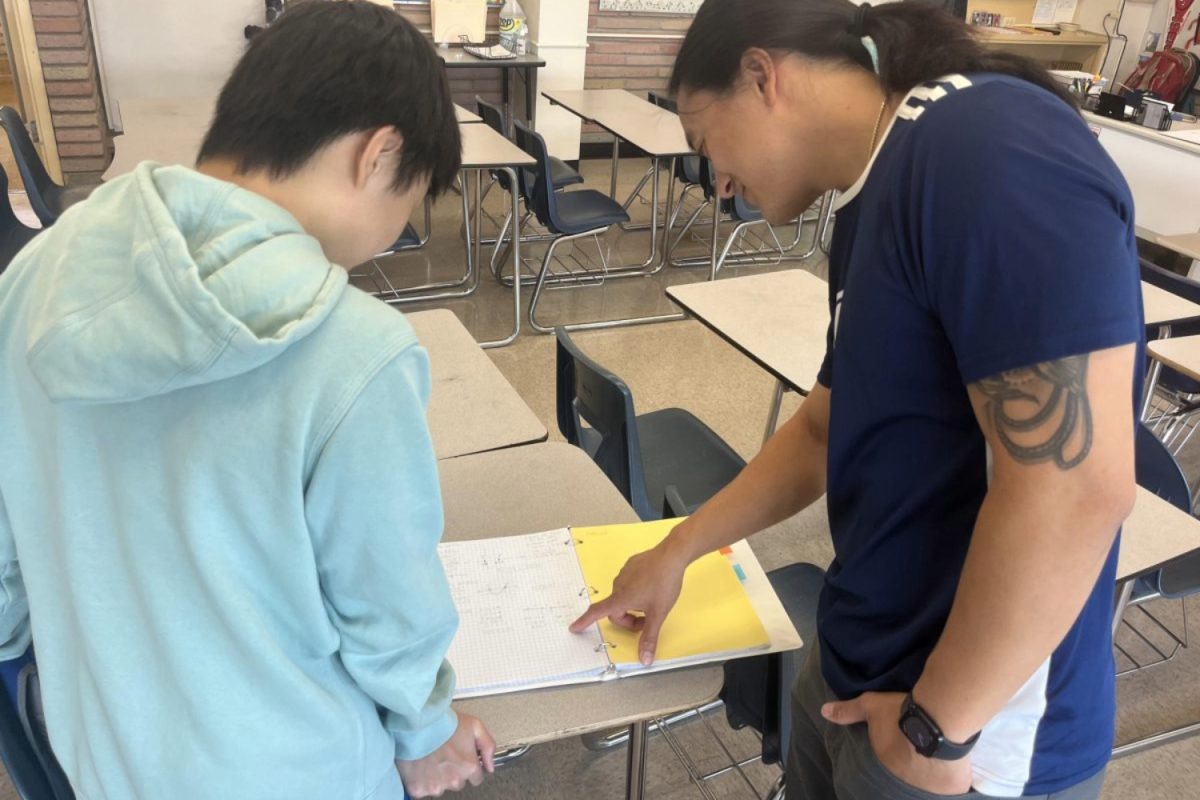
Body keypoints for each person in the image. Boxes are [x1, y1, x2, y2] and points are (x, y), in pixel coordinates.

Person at [572, 1, 1144, 798]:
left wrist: (933, 733)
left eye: (707, 145)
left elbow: (1076, 488)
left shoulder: (985, 149)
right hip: (858, 664)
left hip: (964, 739)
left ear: (762, 75)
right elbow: (821, 428)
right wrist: (679, 550)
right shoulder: (875, 187)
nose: (717, 180)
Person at [0, 3, 493, 798]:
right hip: (297, 770)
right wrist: (427, 730)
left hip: (104, 754)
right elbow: (386, 606)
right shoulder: (357, 349)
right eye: (405, 212)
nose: (387, 241)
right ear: (380, 154)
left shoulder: (34, 277)